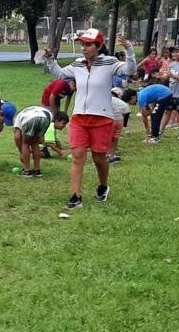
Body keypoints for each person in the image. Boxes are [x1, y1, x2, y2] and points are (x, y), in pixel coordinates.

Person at [42, 29, 136, 210]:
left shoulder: (110, 63)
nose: (84, 48)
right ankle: (76, 196)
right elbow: (60, 74)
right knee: (78, 156)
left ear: (99, 46)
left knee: (99, 158)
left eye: (88, 45)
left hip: (102, 118)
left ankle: (103, 186)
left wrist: (129, 50)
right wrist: (50, 59)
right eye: (82, 44)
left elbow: (130, 70)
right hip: (79, 118)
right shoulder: (78, 64)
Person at [12, 106, 69, 176]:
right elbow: (41, 140)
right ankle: (37, 170)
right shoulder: (49, 115)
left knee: (26, 143)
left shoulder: (18, 118)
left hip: (29, 119)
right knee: (35, 143)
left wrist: (22, 153)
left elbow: (17, 137)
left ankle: (27, 171)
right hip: (46, 118)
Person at [131, 78, 172, 143]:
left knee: (155, 116)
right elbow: (148, 111)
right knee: (154, 114)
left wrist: (147, 129)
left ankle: (155, 137)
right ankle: (155, 135)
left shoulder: (141, 98)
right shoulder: (141, 94)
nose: (131, 104)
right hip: (165, 93)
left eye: (129, 101)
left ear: (132, 97)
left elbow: (144, 116)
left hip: (164, 94)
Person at [108, 90, 132, 163]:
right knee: (115, 138)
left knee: (107, 138)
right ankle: (112, 155)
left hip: (109, 120)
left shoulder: (105, 99)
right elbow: (127, 111)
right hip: (119, 121)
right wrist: (124, 125)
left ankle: (106, 155)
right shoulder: (120, 102)